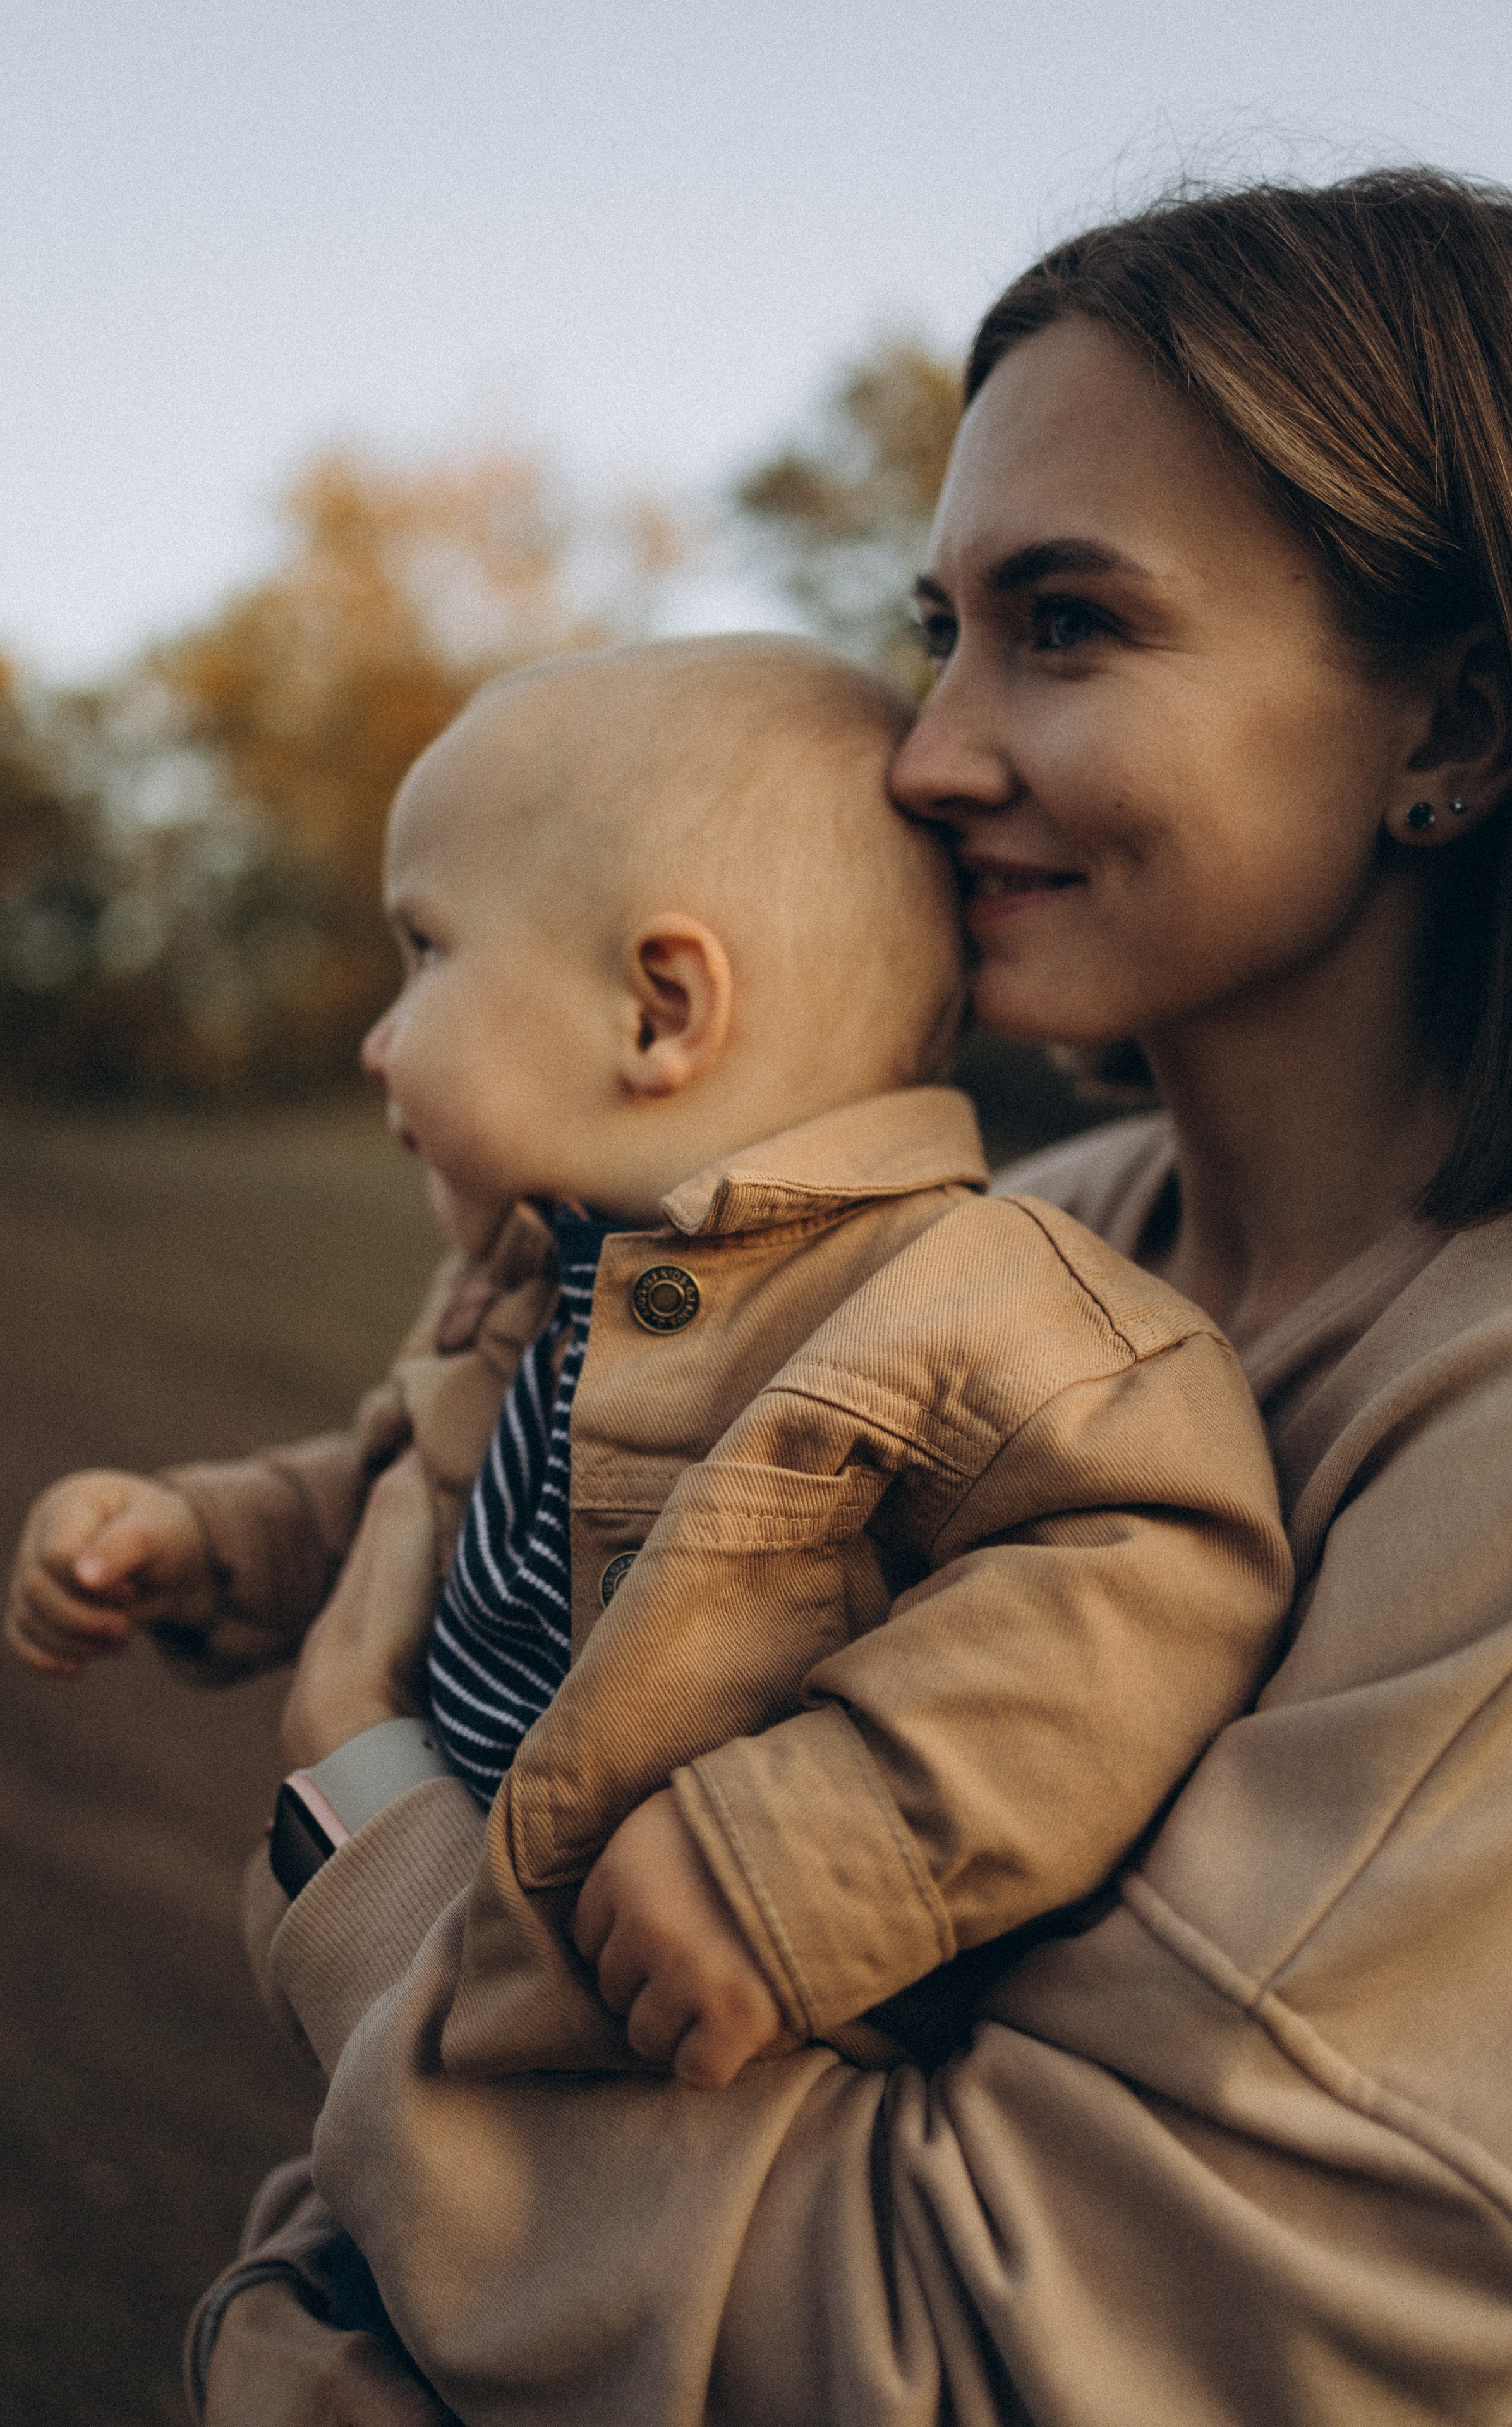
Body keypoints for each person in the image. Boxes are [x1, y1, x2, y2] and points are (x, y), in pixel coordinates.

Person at [190, 168, 1512, 2426]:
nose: (928, 752)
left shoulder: (1476, 1446)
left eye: (1071, 626)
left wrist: (369, 1850)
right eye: (942, 630)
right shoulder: (1011, 1221)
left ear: (1451, 728)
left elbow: (980, 2351)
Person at [6, 632, 1287, 2103]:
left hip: (691, 2088)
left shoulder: (968, 1301)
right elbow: (399, 1489)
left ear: (656, 1011)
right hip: (431, 2008)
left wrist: (797, 1852)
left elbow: (1145, 1572)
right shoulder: (540, 1269)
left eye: (425, 951)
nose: (376, 1039)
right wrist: (202, 1539)